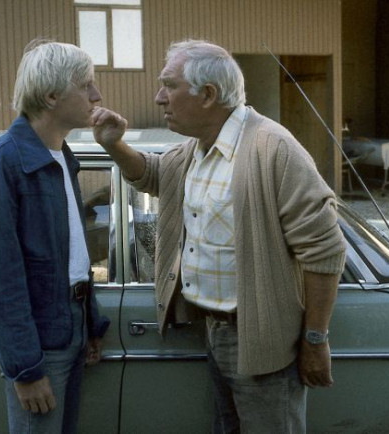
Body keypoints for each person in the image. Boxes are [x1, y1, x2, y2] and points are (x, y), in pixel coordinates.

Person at [91, 39, 346, 433]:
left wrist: (315, 340)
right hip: (214, 331)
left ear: (208, 94)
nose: (160, 98)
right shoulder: (197, 148)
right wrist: (114, 145)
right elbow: (154, 174)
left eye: (169, 85)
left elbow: (324, 251)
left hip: (261, 340)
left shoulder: (272, 148)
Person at [0, 40, 110, 433]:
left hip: (69, 329)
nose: (96, 95)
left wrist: (90, 324)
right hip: (40, 341)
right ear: (51, 96)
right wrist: (24, 368)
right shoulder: (0, 163)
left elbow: (72, 254)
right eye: (86, 85)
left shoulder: (61, 155)